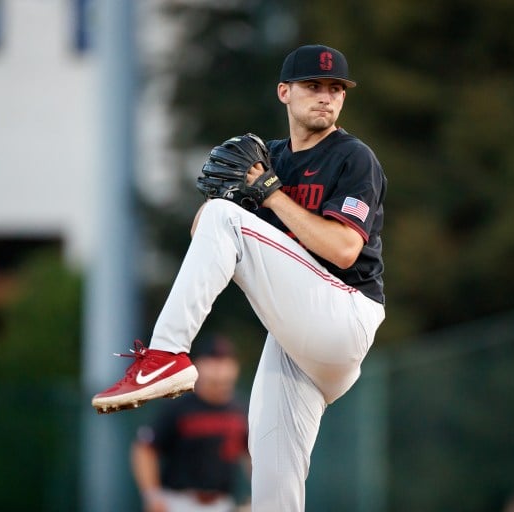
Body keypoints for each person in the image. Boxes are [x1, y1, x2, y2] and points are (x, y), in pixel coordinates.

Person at [93, 44, 387, 512]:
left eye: (336, 89)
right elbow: (204, 229)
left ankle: (166, 353)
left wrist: (267, 196)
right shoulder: (268, 159)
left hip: (344, 314)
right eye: (313, 86)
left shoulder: (353, 158)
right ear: (284, 92)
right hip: (295, 344)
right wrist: (228, 198)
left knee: (225, 218)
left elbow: (344, 249)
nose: (326, 97)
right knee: (274, 486)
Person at [130, 335, 250, 512]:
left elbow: (250, 455)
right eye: (212, 361)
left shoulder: (240, 409)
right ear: (197, 365)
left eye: (224, 361)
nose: (219, 370)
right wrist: (152, 495)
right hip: (178, 502)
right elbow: (144, 449)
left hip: (222, 504)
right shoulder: (178, 405)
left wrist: (263, 494)